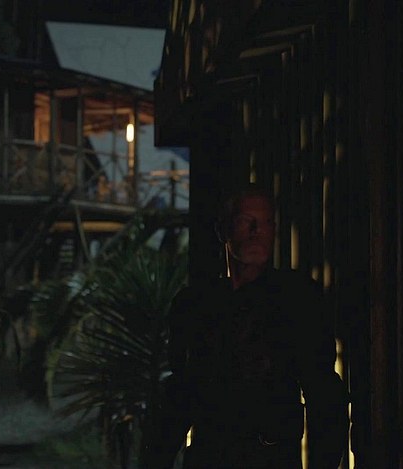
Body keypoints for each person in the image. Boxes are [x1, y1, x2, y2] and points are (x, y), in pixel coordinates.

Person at [142, 186, 348, 469]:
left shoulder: (296, 299)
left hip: (271, 458)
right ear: (223, 230)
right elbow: (178, 396)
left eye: (265, 223)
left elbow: (324, 395)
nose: (256, 232)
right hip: (210, 456)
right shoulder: (195, 304)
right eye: (245, 221)